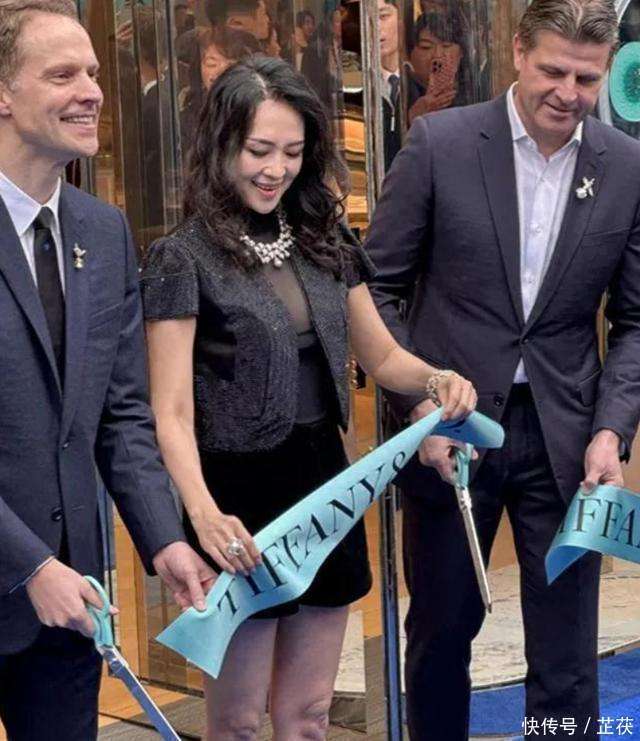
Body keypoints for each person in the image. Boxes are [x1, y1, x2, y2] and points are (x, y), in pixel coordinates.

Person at [141, 55, 477, 739]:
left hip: (327, 490)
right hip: (236, 503)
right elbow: (169, 411)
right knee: (238, 721)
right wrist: (202, 514)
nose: (276, 169)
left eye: (292, 153)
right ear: (222, 145)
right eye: (259, 150)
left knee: (309, 716)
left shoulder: (325, 237)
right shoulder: (184, 255)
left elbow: (382, 356)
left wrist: (437, 379)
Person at [365, 0, 640, 738]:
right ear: (518, 52)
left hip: (569, 440)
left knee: (568, 653)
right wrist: (415, 404)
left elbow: (636, 319)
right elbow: (375, 290)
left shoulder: (626, 167)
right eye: (553, 71)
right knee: (441, 634)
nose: (568, 93)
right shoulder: (440, 143)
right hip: (449, 431)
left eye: (587, 79)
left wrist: (613, 431)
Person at [0, 2, 216, 738]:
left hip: (71, 605)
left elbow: (120, 414)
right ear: (3, 94)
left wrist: (165, 539)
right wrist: (30, 566)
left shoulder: (104, 229)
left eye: (93, 73)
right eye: (63, 75)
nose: (92, 91)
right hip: (33, 573)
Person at [378, 0, 424, 171]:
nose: (376, 27)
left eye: (383, 16)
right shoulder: (358, 89)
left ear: (401, 22)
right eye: (367, 19)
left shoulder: (421, 83)